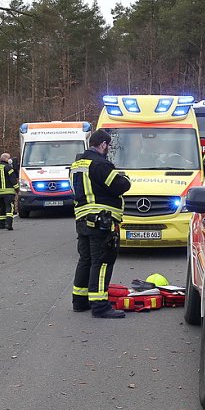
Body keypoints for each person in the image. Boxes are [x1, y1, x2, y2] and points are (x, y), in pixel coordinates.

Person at [70, 129, 131, 318]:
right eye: (108, 145)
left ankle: (79, 301)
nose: (108, 149)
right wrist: (125, 178)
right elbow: (121, 186)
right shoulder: (100, 164)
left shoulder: (76, 165)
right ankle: (99, 306)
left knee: (86, 259)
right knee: (103, 260)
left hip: (82, 218)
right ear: (103, 144)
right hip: (101, 220)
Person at [0, 152, 19, 230]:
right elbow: (13, 180)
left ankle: (1, 224)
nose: (10, 159)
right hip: (8, 192)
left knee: (2, 207)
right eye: (9, 158)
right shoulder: (8, 167)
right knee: (9, 208)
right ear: (6, 159)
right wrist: (17, 190)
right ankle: (9, 224)